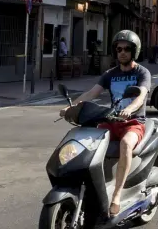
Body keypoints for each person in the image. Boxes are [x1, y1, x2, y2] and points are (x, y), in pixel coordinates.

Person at [62, 30, 151, 219]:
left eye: (127, 49)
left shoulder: (142, 72)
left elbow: (141, 95)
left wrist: (130, 109)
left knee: (126, 144)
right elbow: (91, 93)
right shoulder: (110, 74)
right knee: (86, 142)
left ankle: (117, 195)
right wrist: (71, 108)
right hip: (111, 120)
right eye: (119, 49)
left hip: (133, 122)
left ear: (134, 51)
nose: (122, 52)